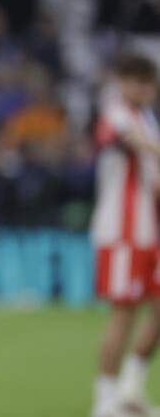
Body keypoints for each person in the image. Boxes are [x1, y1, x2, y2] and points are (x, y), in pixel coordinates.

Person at [90, 54, 160, 417]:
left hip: (150, 230)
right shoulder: (115, 112)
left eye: (148, 84)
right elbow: (124, 139)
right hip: (122, 232)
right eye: (136, 82)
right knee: (124, 314)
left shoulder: (148, 118)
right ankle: (105, 401)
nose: (143, 90)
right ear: (122, 82)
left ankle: (130, 390)